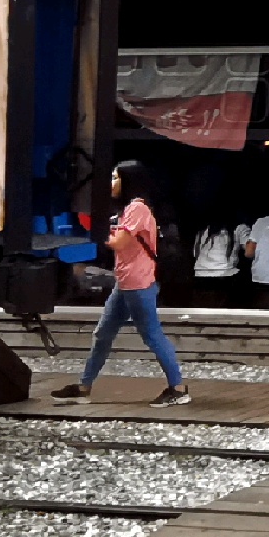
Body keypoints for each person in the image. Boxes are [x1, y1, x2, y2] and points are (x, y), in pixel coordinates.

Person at [54, 161, 191, 404]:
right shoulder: (125, 209)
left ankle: (178, 389)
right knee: (103, 334)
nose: (111, 183)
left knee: (151, 335)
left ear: (129, 180)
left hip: (139, 283)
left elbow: (118, 242)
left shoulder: (138, 208)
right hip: (125, 282)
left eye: (116, 178)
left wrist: (93, 229)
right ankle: (84, 387)